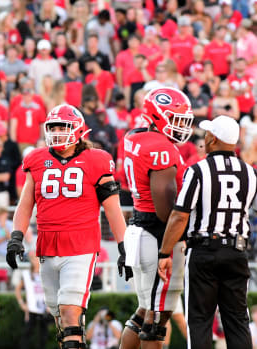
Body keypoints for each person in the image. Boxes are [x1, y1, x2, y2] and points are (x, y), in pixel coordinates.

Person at [7, 104, 130, 349]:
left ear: (79, 130)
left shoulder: (97, 160)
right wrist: (16, 237)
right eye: (53, 127)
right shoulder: (37, 159)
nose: (57, 132)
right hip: (46, 246)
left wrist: (124, 245)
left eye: (63, 127)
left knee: (70, 314)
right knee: (61, 321)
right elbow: (25, 203)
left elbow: (113, 208)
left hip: (80, 246)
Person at [158, 115, 257, 349]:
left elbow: (180, 214)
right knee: (237, 321)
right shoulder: (250, 173)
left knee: (200, 320)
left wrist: (165, 252)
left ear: (212, 138)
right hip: (237, 250)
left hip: (204, 250)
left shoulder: (198, 170)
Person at [119, 87, 193, 349]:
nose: (181, 126)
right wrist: (179, 236)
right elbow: (166, 209)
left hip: (139, 225)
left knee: (143, 312)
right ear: (156, 116)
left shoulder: (135, 135)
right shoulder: (160, 147)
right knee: (156, 319)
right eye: (175, 119)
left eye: (184, 120)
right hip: (158, 234)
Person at [15, 254, 49, 349]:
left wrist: (51, 305)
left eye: (37, 258)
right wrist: (22, 303)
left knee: (43, 335)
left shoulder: (46, 273)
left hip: (44, 308)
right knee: (27, 334)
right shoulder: (26, 274)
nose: (36, 261)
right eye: (34, 258)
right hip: (32, 309)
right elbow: (17, 289)